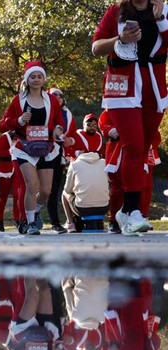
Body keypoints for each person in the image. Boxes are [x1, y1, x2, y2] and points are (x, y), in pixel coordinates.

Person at [91, 1, 167, 236]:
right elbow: (96, 48)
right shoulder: (116, 11)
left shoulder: (162, 9)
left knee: (143, 149)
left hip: (154, 89)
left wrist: (161, 20)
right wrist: (119, 40)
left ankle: (126, 211)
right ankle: (132, 211)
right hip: (122, 89)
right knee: (133, 146)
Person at [0, 61, 66, 236]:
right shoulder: (18, 100)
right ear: (27, 80)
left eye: (39, 77)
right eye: (33, 77)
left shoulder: (51, 100)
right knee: (32, 185)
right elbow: (3, 124)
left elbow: (58, 121)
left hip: (46, 147)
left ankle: (34, 211)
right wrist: (19, 120)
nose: (36, 80)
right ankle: (30, 224)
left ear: (44, 79)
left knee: (46, 191)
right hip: (24, 147)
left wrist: (58, 130)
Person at [44, 88, 77, 234]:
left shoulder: (67, 114)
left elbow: (73, 134)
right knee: (39, 188)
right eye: (54, 94)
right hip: (40, 151)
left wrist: (70, 140)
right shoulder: (41, 107)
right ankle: (29, 216)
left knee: (53, 188)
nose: (57, 97)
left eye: (60, 95)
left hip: (58, 154)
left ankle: (55, 222)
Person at [61, 145, 110, 232]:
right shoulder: (104, 162)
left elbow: (68, 189)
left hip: (82, 208)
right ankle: (110, 221)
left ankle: (70, 223)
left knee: (64, 193)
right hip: (104, 207)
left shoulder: (75, 164)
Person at [0, 131, 26, 233]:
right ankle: (0, 220)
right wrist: (10, 151)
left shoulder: (22, 136)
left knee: (17, 194)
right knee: (3, 196)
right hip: (4, 168)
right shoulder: (4, 137)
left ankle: (17, 219)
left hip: (16, 167)